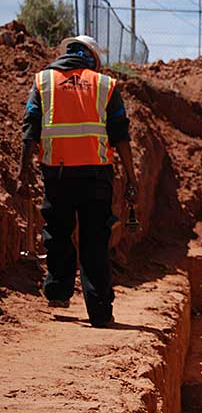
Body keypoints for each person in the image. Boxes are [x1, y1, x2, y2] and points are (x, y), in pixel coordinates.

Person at [16, 35, 137, 328]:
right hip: (96, 174)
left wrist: (24, 172)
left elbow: (30, 128)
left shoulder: (44, 81)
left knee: (57, 231)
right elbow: (120, 134)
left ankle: (58, 290)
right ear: (93, 59)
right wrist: (132, 178)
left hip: (56, 173)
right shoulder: (105, 85)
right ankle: (100, 313)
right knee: (95, 241)